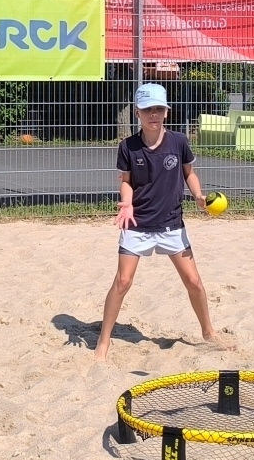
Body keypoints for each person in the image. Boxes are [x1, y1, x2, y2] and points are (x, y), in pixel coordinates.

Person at [93, 83, 218, 361]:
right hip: (137, 223)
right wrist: (126, 202)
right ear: (137, 113)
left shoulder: (178, 142)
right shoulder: (128, 146)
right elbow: (125, 182)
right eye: (148, 109)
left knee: (194, 282)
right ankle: (103, 342)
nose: (154, 114)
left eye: (159, 109)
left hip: (172, 223)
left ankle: (208, 332)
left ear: (166, 112)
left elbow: (190, 173)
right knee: (123, 281)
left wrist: (198, 196)